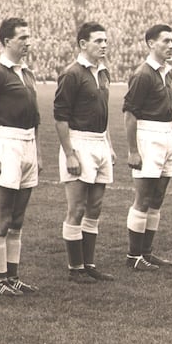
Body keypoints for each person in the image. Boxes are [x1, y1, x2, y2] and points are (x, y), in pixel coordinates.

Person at [0, 17, 42, 296]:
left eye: (29, 37)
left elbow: (36, 118)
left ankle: (12, 277)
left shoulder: (27, 73)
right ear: (6, 42)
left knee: (18, 219)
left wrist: (37, 153)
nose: (28, 42)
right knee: (2, 218)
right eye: (22, 38)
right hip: (6, 145)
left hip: (27, 145)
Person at [54, 22, 116, 284]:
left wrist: (109, 144)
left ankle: (89, 264)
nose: (104, 45)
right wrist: (69, 154)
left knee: (95, 207)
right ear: (83, 44)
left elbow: (103, 112)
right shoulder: (72, 74)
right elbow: (60, 117)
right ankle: (75, 267)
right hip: (79, 143)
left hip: (100, 142)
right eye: (98, 41)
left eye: (105, 41)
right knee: (77, 208)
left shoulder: (103, 73)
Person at [122, 24, 172, 271]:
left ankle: (147, 251)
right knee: (143, 197)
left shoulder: (167, 72)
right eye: (165, 41)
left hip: (167, 134)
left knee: (157, 198)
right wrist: (133, 150)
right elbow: (130, 114)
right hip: (148, 135)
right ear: (150, 44)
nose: (171, 45)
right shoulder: (143, 74)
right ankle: (134, 255)